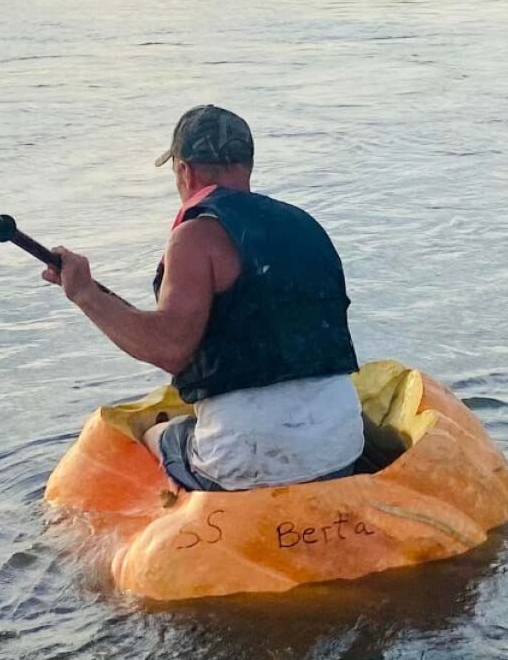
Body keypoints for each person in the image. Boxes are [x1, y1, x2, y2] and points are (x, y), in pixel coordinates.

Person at [41, 105, 364, 491]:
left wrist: (84, 294)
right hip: (340, 449)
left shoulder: (195, 236)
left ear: (185, 170)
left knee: (158, 435)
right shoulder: (307, 225)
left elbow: (171, 348)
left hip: (246, 461)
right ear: (246, 165)